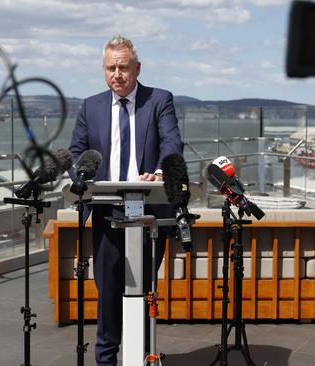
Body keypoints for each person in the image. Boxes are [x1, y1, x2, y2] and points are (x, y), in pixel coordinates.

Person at [69, 35, 184, 365]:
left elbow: (172, 144)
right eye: (110, 68)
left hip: (150, 215)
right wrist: (82, 174)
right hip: (106, 214)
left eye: (123, 67)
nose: (116, 74)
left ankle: (143, 356)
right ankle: (106, 360)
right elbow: (77, 152)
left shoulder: (159, 100)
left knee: (144, 294)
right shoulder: (90, 106)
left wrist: (160, 172)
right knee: (107, 296)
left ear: (137, 68)